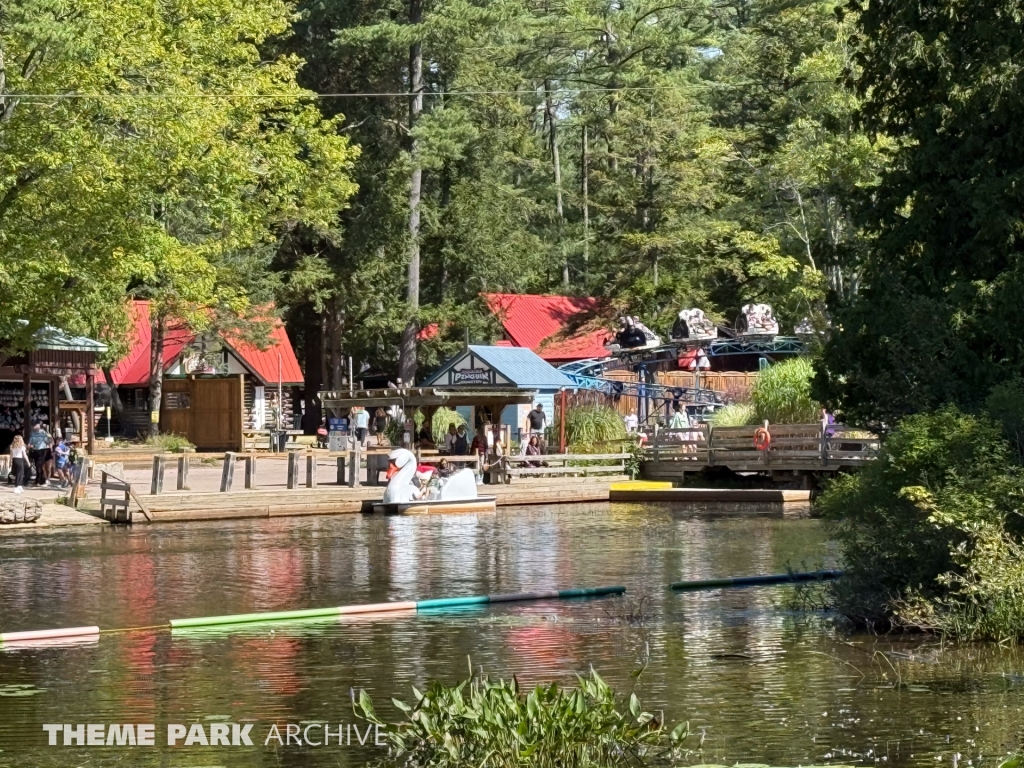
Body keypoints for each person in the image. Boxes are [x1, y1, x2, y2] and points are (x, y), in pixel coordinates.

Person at [27, 422, 52, 487]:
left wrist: (49, 443)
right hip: (35, 450)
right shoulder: (32, 433)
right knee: (37, 465)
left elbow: (48, 441)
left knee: (39, 465)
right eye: (33, 425)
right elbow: (30, 442)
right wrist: (29, 446)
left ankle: (40, 480)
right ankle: (38, 479)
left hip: (42, 450)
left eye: (35, 425)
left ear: (38, 425)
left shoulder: (43, 432)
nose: (34, 426)